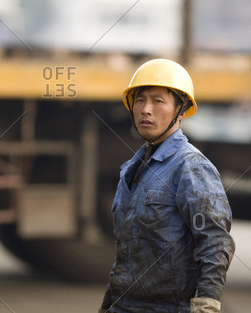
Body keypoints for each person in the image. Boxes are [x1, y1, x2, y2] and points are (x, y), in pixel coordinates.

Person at [99, 58, 235, 313]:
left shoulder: (191, 167)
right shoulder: (132, 169)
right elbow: (127, 253)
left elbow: (215, 240)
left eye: (158, 101)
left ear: (181, 111)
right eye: (139, 100)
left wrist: (207, 301)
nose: (145, 109)